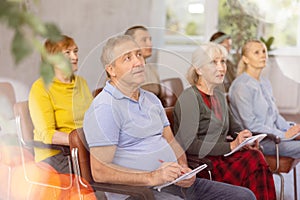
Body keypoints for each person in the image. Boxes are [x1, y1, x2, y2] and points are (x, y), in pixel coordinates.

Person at [83, 35, 256, 200]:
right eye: (127, 58)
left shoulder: (151, 99)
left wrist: (183, 169)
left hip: (173, 182)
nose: (138, 62)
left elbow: (172, 143)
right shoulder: (105, 108)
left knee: (244, 196)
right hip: (140, 192)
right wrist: (152, 177)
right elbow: (100, 171)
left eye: (139, 55)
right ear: (111, 69)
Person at [173, 42, 276, 200]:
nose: (221, 67)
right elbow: (189, 144)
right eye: (214, 62)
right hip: (204, 165)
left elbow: (234, 127)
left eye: (223, 61)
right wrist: (231, 145)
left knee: (254, 154)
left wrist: (245, 138)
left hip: (222, 156)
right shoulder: (190, 98)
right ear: (199, 69)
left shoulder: (219, 95)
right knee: (254, 160)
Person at [29, 35, 93, 173]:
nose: (74, 57)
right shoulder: (40, 88)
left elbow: (93, 117)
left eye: (75, 51)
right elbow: (48, 134)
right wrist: (81, 141)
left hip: (84, 148)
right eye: (67, 53)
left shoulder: (81, 82)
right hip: (56, 154)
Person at [228, 39, 300, 159]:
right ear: (245, 59)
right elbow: (251, 125)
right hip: (260, 142)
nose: (263, 55)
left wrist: (292, 129)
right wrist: (284, 135)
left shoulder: (265, 82)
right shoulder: (241, 87)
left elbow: (275, 117)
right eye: (256, 52)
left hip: (276, 137)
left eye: (264, 51)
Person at [125, 25, 161, 97]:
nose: (150, 44)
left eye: (150, 40)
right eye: (144, 40)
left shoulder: (151, 68)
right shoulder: (122, 69)